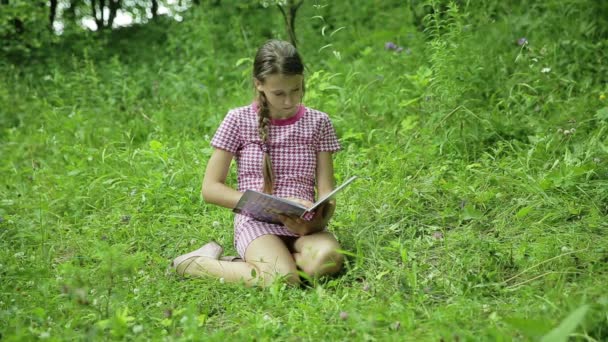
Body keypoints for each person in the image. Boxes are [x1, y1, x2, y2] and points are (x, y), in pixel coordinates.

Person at [171, 39, 345, 287]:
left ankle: (252, 267)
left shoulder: (319, 122)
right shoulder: (238, 120)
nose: (289, 101)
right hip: (256, 223)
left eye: (296, 90)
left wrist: (316, 222)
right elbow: (211, 188)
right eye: (279, 93)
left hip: (305, 227)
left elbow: (327, 190)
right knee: (282, 281)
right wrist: (271, 207)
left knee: (328, 259)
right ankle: (194, 264)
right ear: (259, 84)